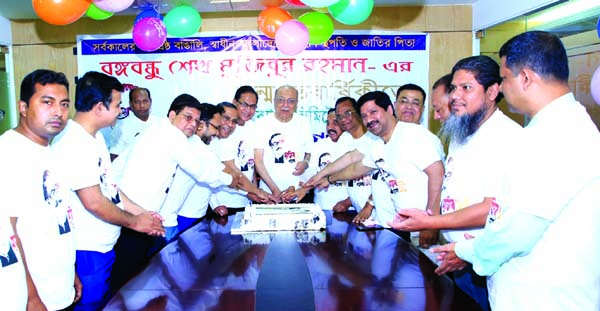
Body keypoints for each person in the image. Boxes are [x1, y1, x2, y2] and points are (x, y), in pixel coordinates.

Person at [432, 31, 600, 311]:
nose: (503, 87)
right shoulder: (555, 128)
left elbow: (517, 229)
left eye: (505, 78)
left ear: (525, 78)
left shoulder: (560, 137)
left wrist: (464, 251)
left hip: (546, 297)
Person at [388, 56, 522, 311]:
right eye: (453, 88)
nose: (455, 96)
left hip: (485, 262)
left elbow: (492, 208)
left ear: (492, 91)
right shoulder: (462, 132)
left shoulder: (506, 137)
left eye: (466, 88)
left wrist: (430, 222)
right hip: (459, 257)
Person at [51, 71, 165, 311]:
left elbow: (111, 189)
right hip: (86, 249)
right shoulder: (74, 142)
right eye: (117, 105)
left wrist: (143, 213)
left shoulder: (95, 138)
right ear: (99, 107)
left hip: (102, 247)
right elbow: (93, 201)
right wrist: (135, 223)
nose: (120, 111)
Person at [110, 94, 241, 292]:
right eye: (187, 117)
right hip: (134, 218)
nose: (192, 124)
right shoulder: (173, 136)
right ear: (172, 115)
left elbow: (116, 168)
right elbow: (203, 172)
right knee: (130, 279)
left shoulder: (156, 130)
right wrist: (232, 180)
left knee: (137, 277)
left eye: (196, 120)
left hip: (137, 215)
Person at [306, 91, 445, 248]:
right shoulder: (379, 144)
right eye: (364, 116)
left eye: (373, 112)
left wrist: (431, 222)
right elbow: (355, 169)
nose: (369, 120)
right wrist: (327, 179)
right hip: (402, 226)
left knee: (427, 271)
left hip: (423, 227)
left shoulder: (413, 134)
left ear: (390, 110)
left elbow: (437, 174)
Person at [0, 69, 81, 310]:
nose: (58, 112)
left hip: (59, 288)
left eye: (64, 104)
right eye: (47, 102)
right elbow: (7, 234)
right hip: (32, 297)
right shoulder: (9, 153)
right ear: (23, 107)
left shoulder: (50, 151)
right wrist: (30, 297)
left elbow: (56, 217)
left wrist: (70, 274)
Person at [254, 85, 313, 202]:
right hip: (268, 194)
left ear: (296, 104)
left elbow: (309, 153)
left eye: (291, 101)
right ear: (274, 101)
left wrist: (305, 162)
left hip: (296, 193)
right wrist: (275, 190)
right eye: (281, 100)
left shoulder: (304, 123)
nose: (285, 105)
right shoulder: (261, 124)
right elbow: (258, 161)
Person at [333, 97, 383, 220]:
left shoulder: (374, 137)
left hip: (379, 212)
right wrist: (348, 202)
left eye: (348, 113)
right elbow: (348, 174)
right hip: (359, 213)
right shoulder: (344, 138)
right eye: (339, 116)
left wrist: (369, 205)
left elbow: (383, 179)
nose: (343, 119)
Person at [290, 108, 346, 207]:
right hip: (321, 207)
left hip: (350, 209)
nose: (330, 127)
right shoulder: (318, 146)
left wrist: (347, 203)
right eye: (327, 123)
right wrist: (294, 188)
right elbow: (309, 177)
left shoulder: (355, 146)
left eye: (335, 123)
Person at [109, 87, 157, 161]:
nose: (142, 106)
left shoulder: (160, 123)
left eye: (145, 101)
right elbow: (114, 155)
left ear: (150, 101)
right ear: (131, 104)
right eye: (137, 102)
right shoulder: (121, 126)